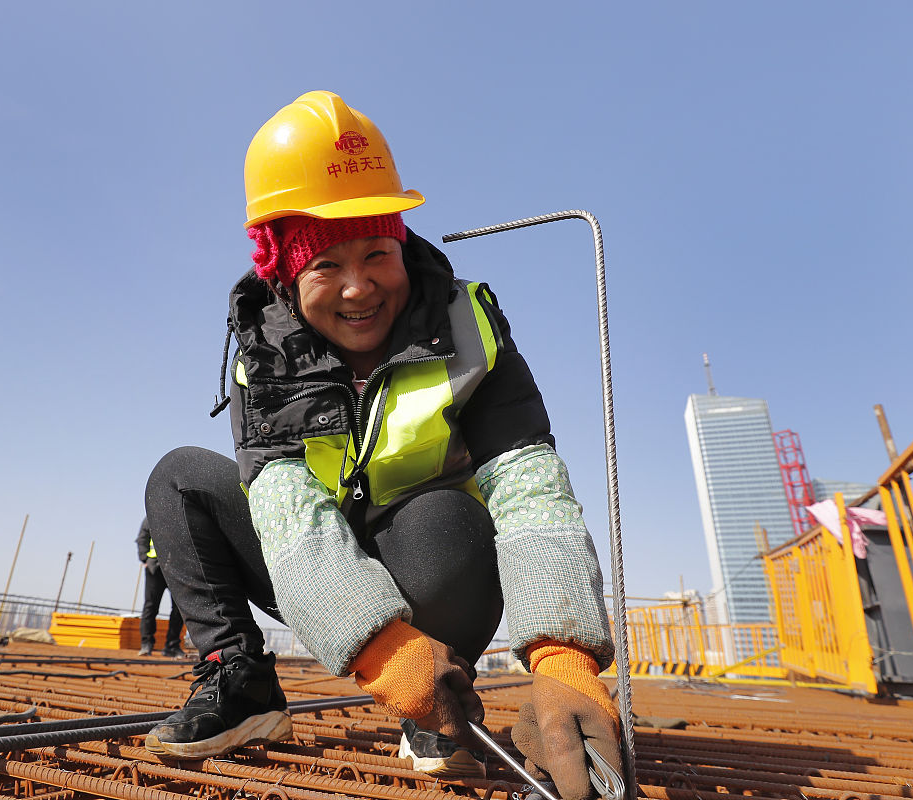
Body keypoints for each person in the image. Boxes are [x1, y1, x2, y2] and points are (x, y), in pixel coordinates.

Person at [143, 90, 621, 799]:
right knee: (178, 478)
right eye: (325, 266)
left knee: (446, 521)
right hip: (312, 572)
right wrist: (382, 650)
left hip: (432, 562)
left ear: (402, 244)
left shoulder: (469, 332)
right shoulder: (263, 359)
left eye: (377, 254)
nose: (358, 288)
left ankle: (440, 700)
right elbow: (286, 512)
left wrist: (563, 659)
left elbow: (530, 487)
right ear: (284, 274)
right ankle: (240, 680)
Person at [136, 517, 187, 657]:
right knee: (150, 607)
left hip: (177, 569)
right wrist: (144, 558)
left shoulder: (182, 516)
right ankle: (146, 644)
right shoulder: (151, 516)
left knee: (179, 608)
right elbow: (142, 538)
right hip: (155, 568)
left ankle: (172, 646)